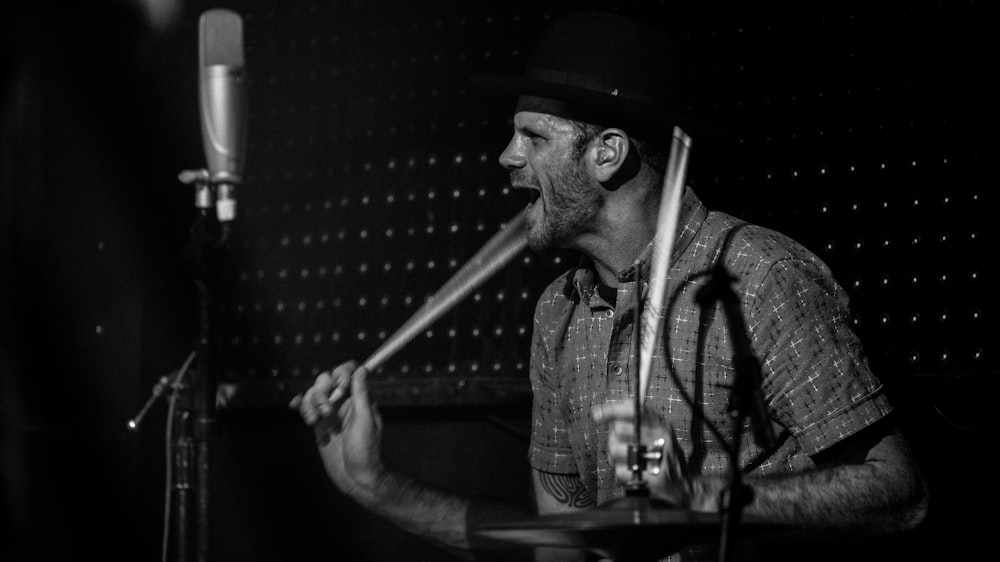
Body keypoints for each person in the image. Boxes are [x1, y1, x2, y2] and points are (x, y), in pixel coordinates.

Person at [292, 11, 928, 561]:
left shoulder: (759, 278)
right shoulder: (557, 313)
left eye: (533, 136)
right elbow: (560, 543)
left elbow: (900, 495)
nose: (506, 157)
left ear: (608, 152)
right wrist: (371, 482)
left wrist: (701, 501)